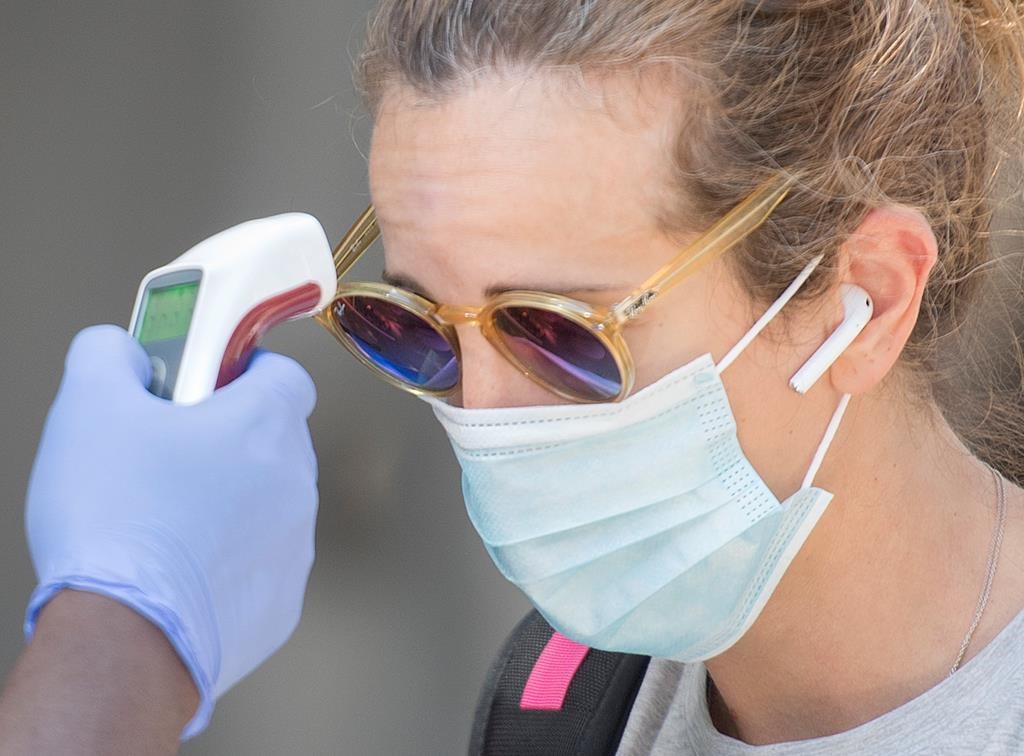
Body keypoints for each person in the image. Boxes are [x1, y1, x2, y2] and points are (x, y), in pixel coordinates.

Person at [3, 0, 1024, 753]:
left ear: (867, 301)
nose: (483, 419)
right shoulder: (559, 701)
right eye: (414, 328)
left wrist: (115, 640)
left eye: (556, 331)